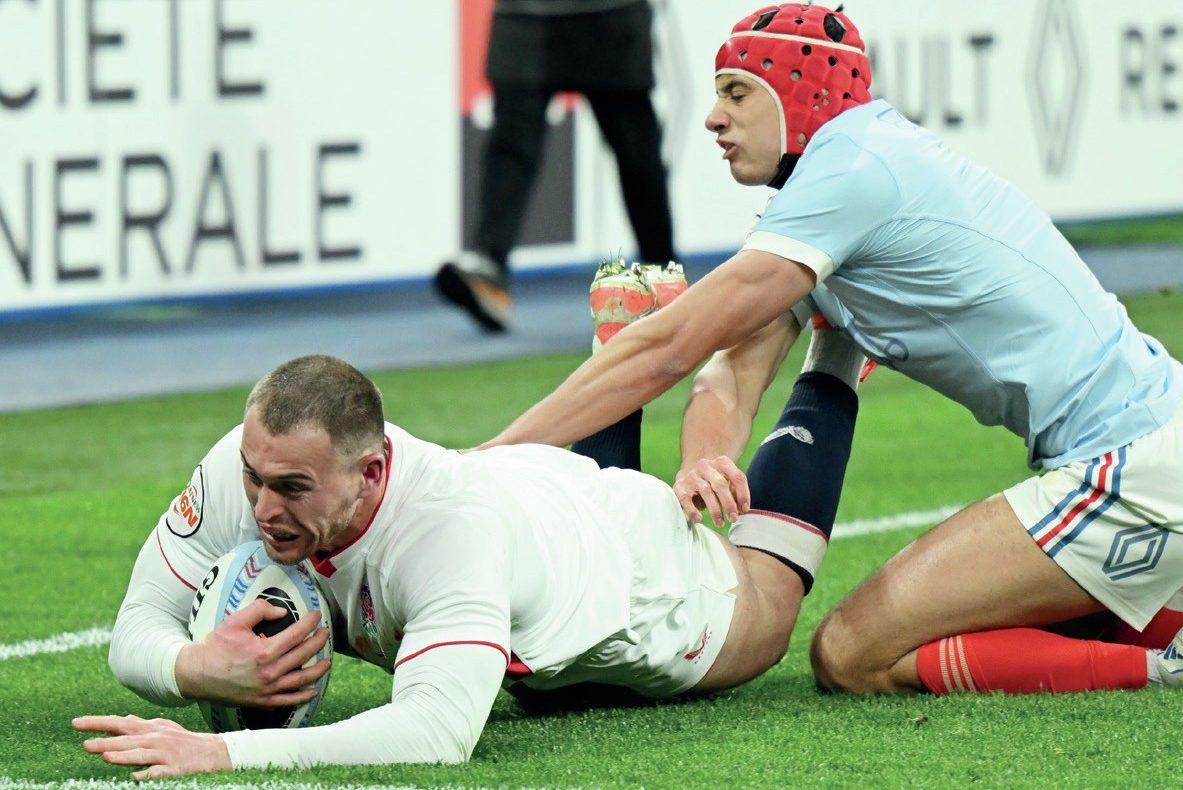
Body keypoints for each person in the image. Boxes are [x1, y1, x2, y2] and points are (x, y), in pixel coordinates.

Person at [483, 3, 1183, 696]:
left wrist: (482, 467)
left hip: (1127, 464)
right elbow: (729, 371)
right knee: (918, 633)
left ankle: (1161, 666)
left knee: (852, 654)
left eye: (735, 93)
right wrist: (704, 458)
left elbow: (665, 347)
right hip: (1145, 444)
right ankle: (1158, 623)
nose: (712, 118)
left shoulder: (853, 173)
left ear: (801, 94)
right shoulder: (844, 176)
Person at [73, 338, 861, 777]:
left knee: (769, 603)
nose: (261, 505)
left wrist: (219, 749)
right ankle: (619, 354)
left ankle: (831, 348)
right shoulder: (241, 468)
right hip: (522, 501)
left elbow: (437, 733)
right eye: (253, 476)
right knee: (544, 674)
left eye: (291, 487)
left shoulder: (447, 533)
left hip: (651, 585)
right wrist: (192, 668)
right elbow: (138, 624)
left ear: (372, 471)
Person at [435, 0, 676, 332]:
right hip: (523, 14)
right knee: (509, 144)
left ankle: (662, 278)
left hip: (612, 11)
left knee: (637, 149)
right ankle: (488, 271)